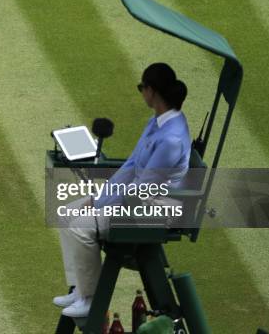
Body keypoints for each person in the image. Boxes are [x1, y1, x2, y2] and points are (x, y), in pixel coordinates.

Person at [54, 63, 190, 317]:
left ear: (152, 91)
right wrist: (99, 198)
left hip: (154, 209)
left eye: (142, 87)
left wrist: (102, 205)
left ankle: (91, 300)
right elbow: (130, 166)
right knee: (65, 214)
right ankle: (79, 288)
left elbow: (141, 190)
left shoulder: (170, 139)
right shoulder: (157, 122)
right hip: (137, 199)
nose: (141, 92)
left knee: (80, 226)